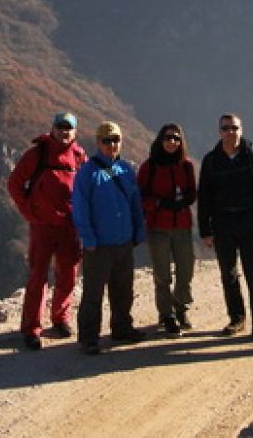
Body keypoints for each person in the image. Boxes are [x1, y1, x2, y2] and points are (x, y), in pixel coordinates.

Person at [197, 113, 253, 343]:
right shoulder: (211, 161)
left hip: (250, 224)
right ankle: (237, 318)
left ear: (241, 130)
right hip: (223, 224)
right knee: (229, 274)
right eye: (225, 128)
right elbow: (203, 196)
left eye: (234, 128)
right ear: (219, 132)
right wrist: (205, 230)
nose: (230, 132)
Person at [6, 111, 87, 351]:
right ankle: (32, 328)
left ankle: (60, 319)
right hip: (43, 227)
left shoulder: (79, 156)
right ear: (52, 128)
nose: (64, 132)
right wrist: (31, 212)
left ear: (75, 132)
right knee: (38, 277)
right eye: (60, 127)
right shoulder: (37, 154)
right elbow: (14, 184)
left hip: (69, 227)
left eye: (68, 128)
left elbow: (84, 190)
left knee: (68, 276)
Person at [72, 121, 147, 355]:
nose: (111, 145)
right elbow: (80, 207)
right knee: (93, 292)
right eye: (107, 141)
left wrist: (138, 229)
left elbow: (135, 203)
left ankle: (122, 328)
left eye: (115, 140)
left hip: (124, 241)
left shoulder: (125, 170)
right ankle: (88, 338)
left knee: (123, 289)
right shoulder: (87, 172)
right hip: (99, 244)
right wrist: (88, 237)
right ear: (97, 143)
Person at [138, 123, 197, 335]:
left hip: (182, 226)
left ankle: (180, 306)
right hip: (158, 227)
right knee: (162, 274)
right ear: (160, 140)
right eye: (168, 138)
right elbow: (140, 196)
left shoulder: (186, 166)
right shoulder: (150, 167)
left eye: (176, 138)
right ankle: (167, 314)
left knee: (186, 270)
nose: (172, 142)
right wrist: (158, 204)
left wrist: (185, 201)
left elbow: (192, 192)